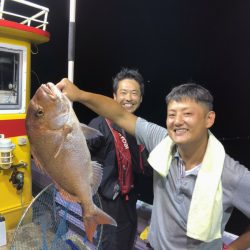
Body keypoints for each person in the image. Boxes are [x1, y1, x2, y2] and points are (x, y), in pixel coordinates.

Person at [56, 79, 250, 250]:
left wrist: (234, 247)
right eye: (172, 114)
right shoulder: (162, 140)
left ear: (209, 119)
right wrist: (79, 94)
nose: (177, 121)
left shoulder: (231, 174)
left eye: (187, 114)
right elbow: (119, 115)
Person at [86, 68, 150, 250]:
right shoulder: (98, 124)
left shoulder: (140, 128)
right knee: (108, 244)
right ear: (114, 96)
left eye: (134, 93)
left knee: (127, 242)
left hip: (130, 201)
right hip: (106, 203)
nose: (128, 98)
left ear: (141, 98)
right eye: (123, 92)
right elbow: (81, 152)